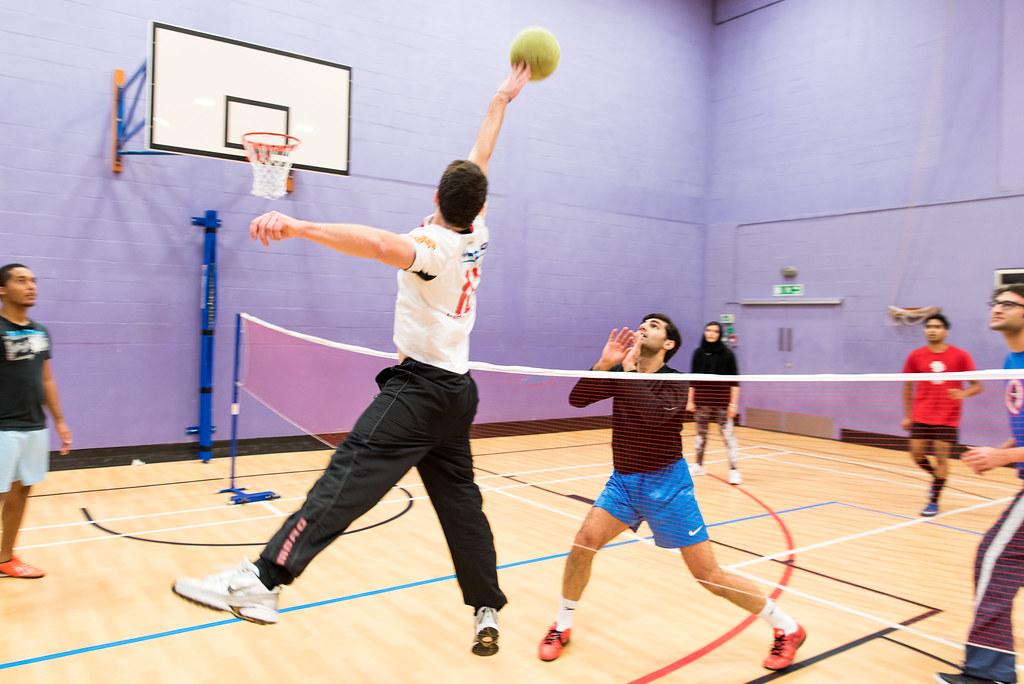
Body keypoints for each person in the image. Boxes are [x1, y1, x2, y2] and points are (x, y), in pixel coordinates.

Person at [172, 64, 533, 656]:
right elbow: (482, 155)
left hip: (418, 392)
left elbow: (378, 244)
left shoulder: (434, 247)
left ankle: (263, 581)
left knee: (346, 477)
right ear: (475, 203)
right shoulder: (476, 233)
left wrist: (298, 226)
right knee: (461, 503)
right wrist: (500, 98)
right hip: (459, 392)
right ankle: (485, 605)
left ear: (436, 198)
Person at [537, 314, 806, 671]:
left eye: (655, 325)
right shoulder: (621, 371)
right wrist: (605, 364)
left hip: (668, 486)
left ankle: (787, 627)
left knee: (708, 577)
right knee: (583, 544)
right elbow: (578, 400)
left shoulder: (676, 382)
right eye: (643, 322)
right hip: (624, 483)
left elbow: (652, 415)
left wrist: (629, 374)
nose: (644, 326)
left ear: (668, 344)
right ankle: (563, 624)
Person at [936, 285, 1024, 684]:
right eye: (996, 302)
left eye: (1008, 303)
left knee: (995, 558)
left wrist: (1002, 457)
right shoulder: (1012, 358)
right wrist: (1001, 450)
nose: (997, 308)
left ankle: (990, 675)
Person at [0, 263, 72, 579]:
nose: (31, 286)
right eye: (21, 281)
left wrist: (59, 421)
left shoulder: (40, 332)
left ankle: (5, 559)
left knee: (21, 491)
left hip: (32, 426)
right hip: (2, 427)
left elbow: (47, 380)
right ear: (2, 290)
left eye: (33, 281)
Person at [901, 314, 981, 517]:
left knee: (941, 458)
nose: (932, 330)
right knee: (916, 455)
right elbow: (907, 387)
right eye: (928, 326)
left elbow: (977, 386)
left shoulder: (961, 356)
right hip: (921, 415)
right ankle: (937, 478)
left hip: (948, 417)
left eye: (937, 326)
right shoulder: (915, 356)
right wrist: (908, 415)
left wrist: (962, 393)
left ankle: (933, 501)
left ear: (946, 331)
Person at [686, 321, 742, 484]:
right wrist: (690, 401)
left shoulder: (728, 354)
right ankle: (698, 465)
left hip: (722, 402)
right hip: (702, 401)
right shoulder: (698, 353)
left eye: (715, 331)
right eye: (708, 330)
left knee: (728, 436)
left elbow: (735, 382)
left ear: (719, 334)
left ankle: (734, 470)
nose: (711, 333)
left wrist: (733, 404)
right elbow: (693, 379)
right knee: (700, 436)